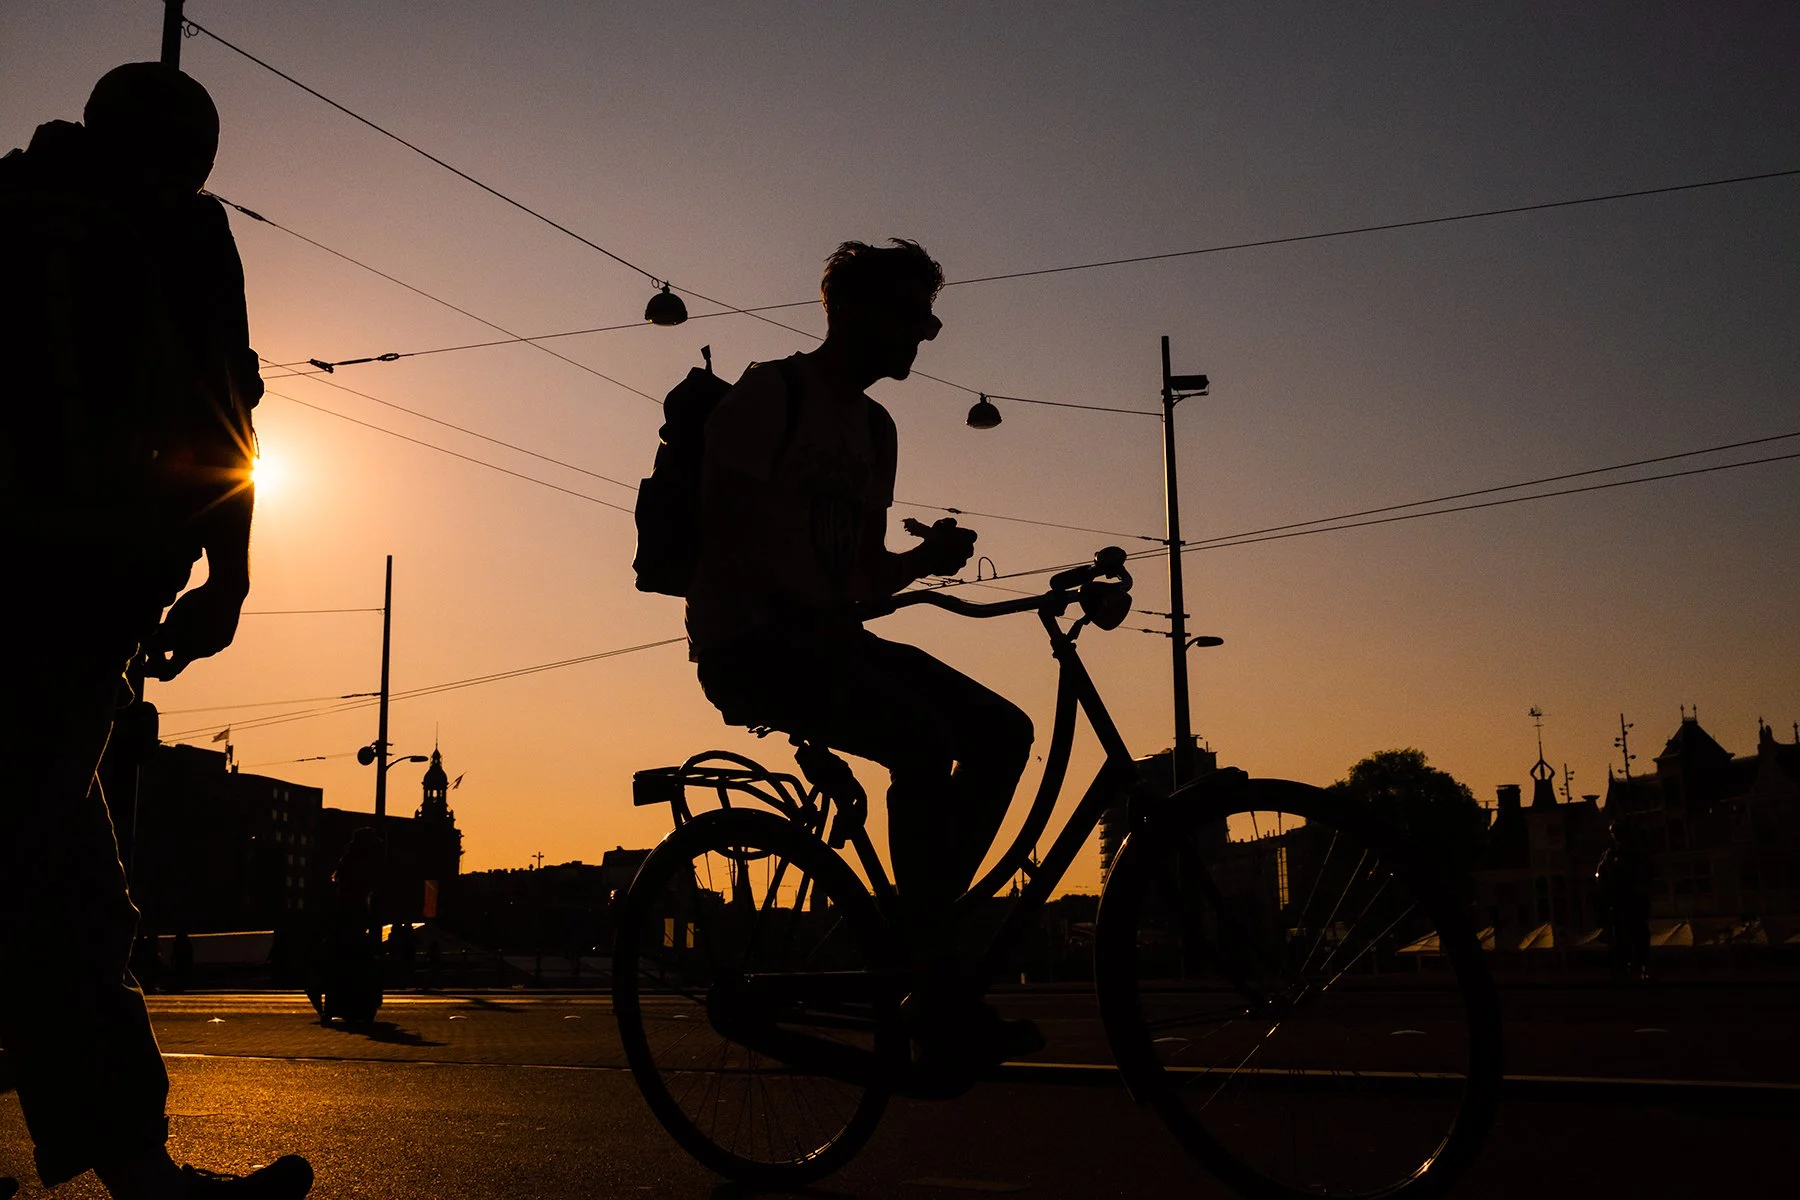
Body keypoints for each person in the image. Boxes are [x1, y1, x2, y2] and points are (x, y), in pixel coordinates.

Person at [0, 64, 311, 1198]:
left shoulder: (13, 201)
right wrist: (226, 577)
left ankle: (142, 1172)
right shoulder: (179, 231)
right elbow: (226, 411)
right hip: (74, 594)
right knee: (31, 866)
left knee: (72, 891)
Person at [686, 239, 1039, 1064]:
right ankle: (931, 967)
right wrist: (804, 604)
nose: (923, 337)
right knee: (920, 741)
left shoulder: (877, 431)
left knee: (1004, 731)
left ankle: (922, 932)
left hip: (832, 640)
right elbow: (722, 533)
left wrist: (921, 562)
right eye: (913, 318)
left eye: (930, 321)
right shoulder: (770, 396)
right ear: (857, 314)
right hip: (751, 647)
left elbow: (860, 577)